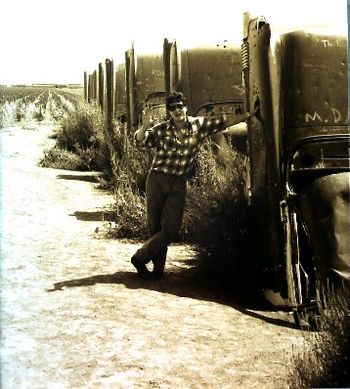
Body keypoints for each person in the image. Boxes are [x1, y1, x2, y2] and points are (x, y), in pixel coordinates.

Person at [131, 92, 257, 280]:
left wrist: (248, 115)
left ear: (185, 107)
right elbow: (140, 141)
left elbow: (223, 122)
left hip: (178, 182)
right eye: (172, 108)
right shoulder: (161, 129)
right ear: (169, 112)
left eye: (179, 106)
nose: (177, 111)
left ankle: (139, 258)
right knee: (155, 227)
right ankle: (158, 271)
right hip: (157, 180)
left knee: (171, 230)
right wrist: (144, 126)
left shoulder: (198, 125)